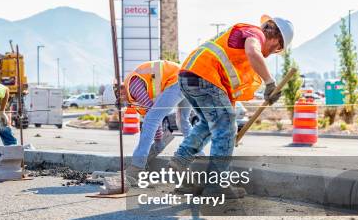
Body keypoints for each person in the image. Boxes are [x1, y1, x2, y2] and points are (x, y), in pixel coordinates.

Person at [172, 15, 294, 198]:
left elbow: (228, 85)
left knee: (208, 124)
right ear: (276, 40)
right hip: (205, 76)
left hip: (188, 76)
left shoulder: (238, 44)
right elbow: (254, 52)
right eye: (277, 49)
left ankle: (180, 162)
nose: (273, 53)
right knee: (224, 126)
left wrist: (227, 135)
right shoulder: (255, 33)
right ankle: (217, 186)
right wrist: (270, 83)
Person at [123, 60, 197, 187]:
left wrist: (158, 142)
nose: (123, 103)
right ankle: (199, 153)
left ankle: (136, 167)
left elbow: (151, 116)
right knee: (183, 121)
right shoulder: (134, 81)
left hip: (176, 81)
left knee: (151, 119)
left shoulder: (132, 85)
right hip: (190, 80)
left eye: (120, 100)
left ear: (118, 93)